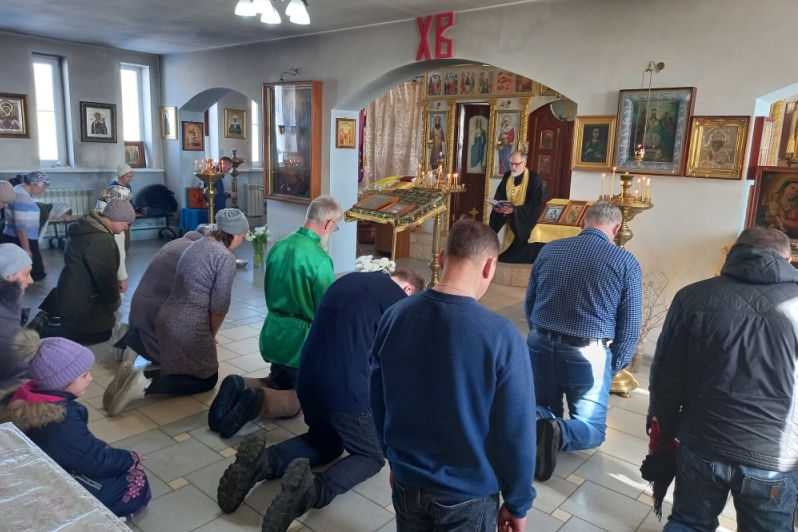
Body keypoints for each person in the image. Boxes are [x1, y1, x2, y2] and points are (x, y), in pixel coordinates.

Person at [215, 268, 425, 529]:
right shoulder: (398, 301)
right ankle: (314, 491)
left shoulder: (348, 280)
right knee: (371, 456)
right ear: (409, 290)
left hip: (306, 379)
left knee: (326, 442)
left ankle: (262, 463)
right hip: (343, 389)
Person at [371, 220, 536, 532]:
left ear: (442, 258)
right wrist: (517, 502)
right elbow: (517, 429)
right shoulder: (502, 337)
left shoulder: (395, 315)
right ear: (489, 266)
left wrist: (393, 457)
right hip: (468, 493)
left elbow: (378, 398)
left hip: (408, 480)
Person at [648, 227, 798, 531]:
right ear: (787, 259)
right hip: (772, 455)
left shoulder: (692, 295)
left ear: (734, 252)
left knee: (688, 523)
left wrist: (663, 434)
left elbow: (667, 376)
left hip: (701, 442)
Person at [525, 201, 642, 481]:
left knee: (543, 407)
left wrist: (541, 334)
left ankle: (535, 428)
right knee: (593, 430)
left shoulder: (550, 250)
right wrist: (612, 367)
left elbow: (530, 302)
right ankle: (557, 431)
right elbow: (630, 326)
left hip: (539, 342)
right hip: (587, 353)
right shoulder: (625, 261)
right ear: (616, 228)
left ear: (582, 222)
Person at [212, 196, 341, 438]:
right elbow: (325, 308)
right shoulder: (320, 258)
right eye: (335, 226)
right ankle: (259, 401)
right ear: (328, 223)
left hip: (274, 330)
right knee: (303, 397)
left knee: (279, 380)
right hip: (300, 340)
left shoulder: (280, 246)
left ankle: (241, 384)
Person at [103, 210, 248, 417]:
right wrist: (211, 334)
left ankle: (132, 374)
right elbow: (219, 306)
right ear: (234, 234)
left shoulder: (196, 244)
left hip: (167, 316)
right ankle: (143, 385)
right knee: (207, 379)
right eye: (242, 237)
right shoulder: (224, 258)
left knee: (179, 367)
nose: (242, 242)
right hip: (189, 324)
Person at [0, 332, 151, 518]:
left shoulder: (20, 398)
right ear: (60, 382)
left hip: (33, 465)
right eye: (84, 375)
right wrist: (130, 458)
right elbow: (92, 460)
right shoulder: (60, 421)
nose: (91, 378)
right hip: (49, 478)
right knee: (136, 482)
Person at [115, 225, 213, 362]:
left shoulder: (176, 243)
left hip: (139, 306)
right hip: (157, 313)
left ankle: (128, 334)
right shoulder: (197, 252)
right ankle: (136, 347)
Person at [44, 198, 135, 345]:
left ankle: (51, 326)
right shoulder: (100, 239)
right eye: (127, 223)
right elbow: (105, 277)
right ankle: (46, 330)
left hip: (71, 291)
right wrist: (114, 301)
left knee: (99, 329)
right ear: (117, 218)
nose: (127, 228)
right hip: (81, 299)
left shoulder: (87, 228)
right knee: (101, 334)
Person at [488, 150, 544, 264]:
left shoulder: (534, 178)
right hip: (510, 217)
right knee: (495, 214)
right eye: (511, 164)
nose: (513, 167)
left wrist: (515, 210)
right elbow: (500, 195)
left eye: (516, 164)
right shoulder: (507, 176)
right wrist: (498, 206)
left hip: (524, 220)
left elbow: (536, 204)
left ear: (524, 163)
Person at [0, 171, 50, 281]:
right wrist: (27, 249)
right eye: (43, 186)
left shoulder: (19, 189)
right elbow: (20, 225)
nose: (44, 190)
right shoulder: (22, 196)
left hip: (21, 236)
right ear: (34, 183)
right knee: (35, 273)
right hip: (22, 238)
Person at [0, 244, 33, 388]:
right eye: (26, 273)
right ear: (8, 275)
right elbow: (15, 367)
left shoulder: (8, 301)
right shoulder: (5, 329)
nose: (31, 280)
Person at [95, 186, 133, 297]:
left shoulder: (96, 213)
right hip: (109, 273)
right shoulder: (114, 219)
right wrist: (122, 278)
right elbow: (117, 252)